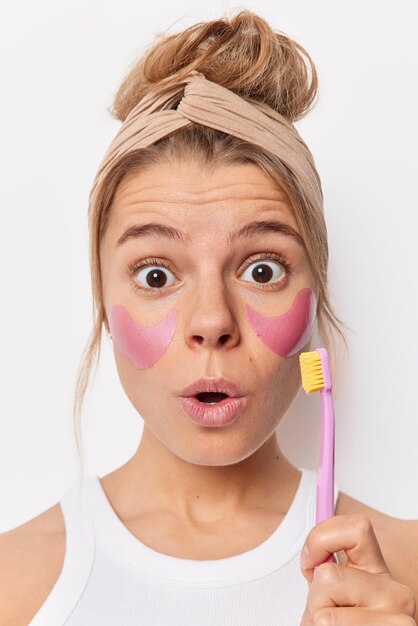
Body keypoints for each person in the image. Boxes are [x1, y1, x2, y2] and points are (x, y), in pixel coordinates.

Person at [1, 9, 417, 626]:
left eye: (262, 269)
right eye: (156, 276)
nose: (212, 321)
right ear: (103, 301)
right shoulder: (16, 583)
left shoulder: (403, 572)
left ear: (317, 291)